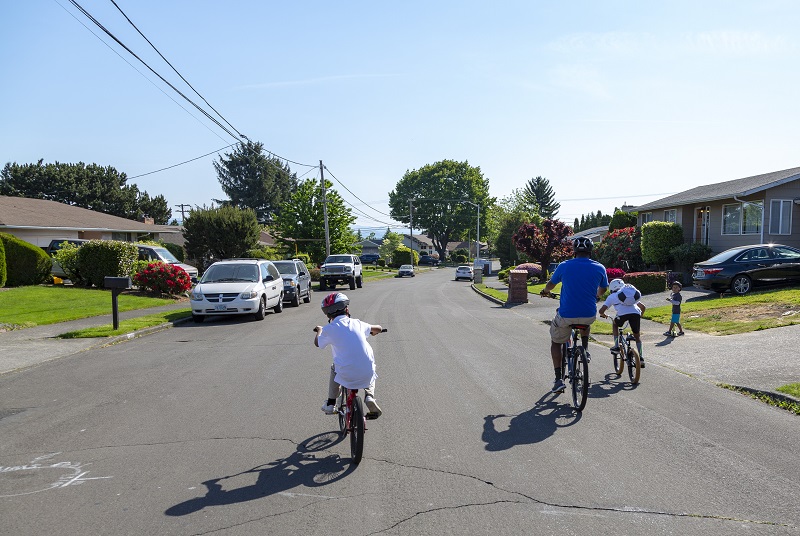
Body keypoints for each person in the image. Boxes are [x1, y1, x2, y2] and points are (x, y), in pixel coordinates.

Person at [540, 236, 609, 393]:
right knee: (585, 321)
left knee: (556, 342)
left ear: (575, 251)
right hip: (589, 314)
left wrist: (545, 291)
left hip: (566, 314)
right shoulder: (599, 267)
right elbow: (604, 288)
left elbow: (551, 284)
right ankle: (584, 349)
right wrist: (597, 296)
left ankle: (558, 379)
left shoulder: (564, 266)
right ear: (590, 251)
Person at [313, 292, 384, 419]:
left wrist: (320, 330)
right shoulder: (357, 323)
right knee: (370, 366)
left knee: (335, 367)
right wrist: (375, 331)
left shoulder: (329, 329)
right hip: (365, 372)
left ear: (328, 314)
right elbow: (378, 328)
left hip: (345, 373)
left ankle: (331, 403)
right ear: (347, 309)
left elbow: (318, 343)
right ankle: (369, 396)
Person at [598, 279, 647, 367]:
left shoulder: (612, 296)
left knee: (615, 323)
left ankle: (616, 346)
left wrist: (603, 314)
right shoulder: (630, 294)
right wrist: (640, 316)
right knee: (637, 336)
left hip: (622, 315)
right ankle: (641, 358)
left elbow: (601, 310)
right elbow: (643, 307)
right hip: (635, 313)